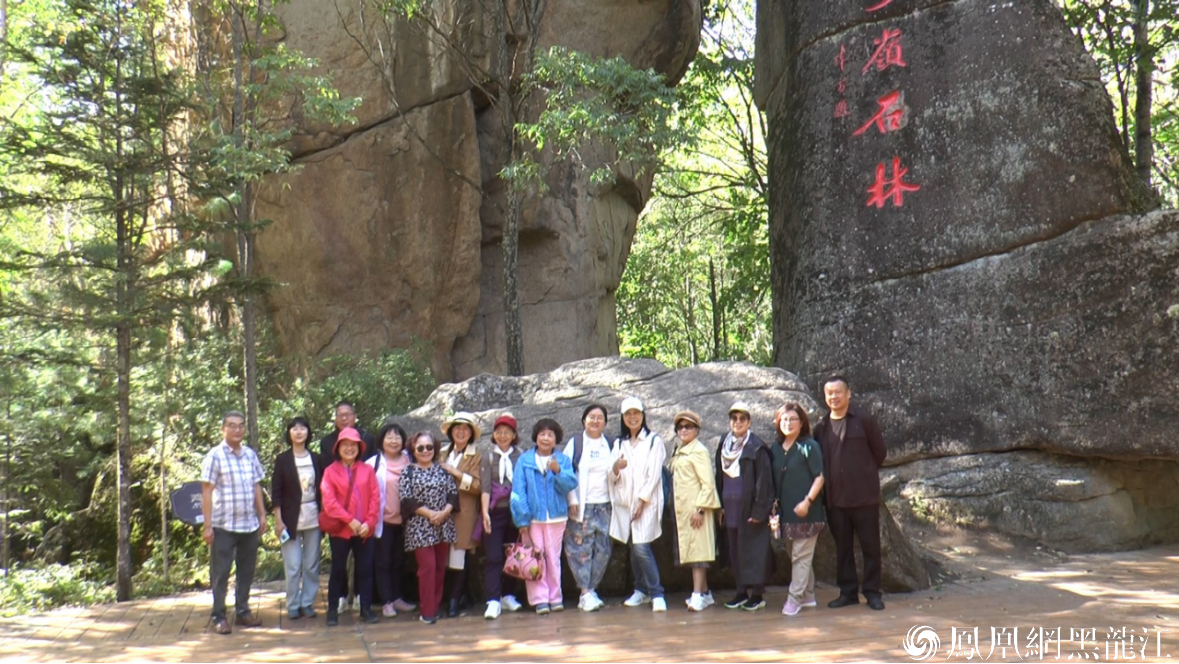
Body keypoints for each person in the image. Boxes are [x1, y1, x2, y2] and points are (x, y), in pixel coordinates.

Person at [812, 376, 887, 611]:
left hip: (864, 497)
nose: (834, 397)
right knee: (843, 549)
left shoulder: (863, 420)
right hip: (835, 500)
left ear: (848, 394)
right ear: (825, 397)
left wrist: (861, 474)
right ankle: (848, 592)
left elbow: (880, 453)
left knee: (870, 547)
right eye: (829, 393)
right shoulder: (821, 428)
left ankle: (873, 592)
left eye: (838, 392)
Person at [200, 410, 268, 635]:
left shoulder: (249, 454)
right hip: (223, 525)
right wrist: (207, 525)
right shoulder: (215, 456)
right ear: (223, 429)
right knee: (221, 573)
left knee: (247, 571)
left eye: (240, 426)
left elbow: (256, 485)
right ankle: (219, 615)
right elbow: (207, 491)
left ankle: (242, 612)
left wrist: (262, 514)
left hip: (248, 524)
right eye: (232, 425)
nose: (237, 429)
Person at [511, 418, 578, 615]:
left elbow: (570, 484)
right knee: (535, 558)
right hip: (532, 519)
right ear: (536, 437)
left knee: (554, 559)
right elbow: (518, 491)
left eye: (550, 434)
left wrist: (558, 471)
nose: (546, 438)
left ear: (556, 438)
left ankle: (555, 597)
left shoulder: (562, 460)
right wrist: (521, 519)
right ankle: (540, 599)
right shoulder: (525, 460)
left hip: (557, 518)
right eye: (542, 434)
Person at [609, 397, 667, 612]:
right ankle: (640, 590)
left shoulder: (654, 441)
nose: (632, 417)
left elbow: (653, 476)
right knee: (634, 547)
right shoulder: (618, 443)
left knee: (642, 547)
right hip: (625, 504)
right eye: (628, 414)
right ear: (623, 418)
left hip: (647, 503)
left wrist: (642, 501)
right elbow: (611, 475)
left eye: (636, 413)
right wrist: (616, 466)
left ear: (643, 415)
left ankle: (657, 593)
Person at [715, 401, 774, 612]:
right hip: (730, 507)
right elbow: (718, 477)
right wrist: (719, 506)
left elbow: (764, 482)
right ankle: (741, 591)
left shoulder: (756, 447)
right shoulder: (724, 444)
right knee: (735, 550)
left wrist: (760, 511)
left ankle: (757, 594)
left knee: (754, 551)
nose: (738, 422)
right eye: (734, 418)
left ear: (749, 422)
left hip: (749, 508)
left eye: (742, 419)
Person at [320, 427, 381, 626]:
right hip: (342, 529)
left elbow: (375, 498)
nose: (349, 448)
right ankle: (331, 610)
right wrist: (350, 520)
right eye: (345, 445)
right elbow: (329, 503)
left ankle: (365, 608)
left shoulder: (367, 470)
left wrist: (369, 522)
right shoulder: (330, 472)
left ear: (359, 448)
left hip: (364, 529)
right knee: (338, 569)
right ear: (338, 448)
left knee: (365, 569)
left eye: (353, 445)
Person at [770, 403, 826, 616]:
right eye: (784, 419)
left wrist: (807, 501)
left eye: (793, 419)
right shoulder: (775, 448)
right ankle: (808, 595)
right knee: (797, 555)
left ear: (801, 423)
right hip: (784, 514)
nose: (788, 423)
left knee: (800, 556)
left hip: (807, 513)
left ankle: (794, 600)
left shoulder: (809, 446)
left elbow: (820, 477)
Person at [400, 431, 458, 624]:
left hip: (443, 523)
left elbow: (453, 495)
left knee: (440, 567)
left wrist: (444, 513)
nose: (425, 451)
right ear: (413, 450)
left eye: (429, 447)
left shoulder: (442, 470)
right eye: (421, 448)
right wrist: (430, 514)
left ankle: (435, 605)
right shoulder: (407, 472)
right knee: (428, 567)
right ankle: (427, 611)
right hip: (420, 526)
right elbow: (407, 500)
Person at [271, 416, 324, 620]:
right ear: (289, 433)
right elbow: (276, 491)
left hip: (314, 517)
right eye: (294, 428)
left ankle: (308, 602)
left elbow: (323, 489)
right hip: (289, 519)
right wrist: (278, 520)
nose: (299, 431)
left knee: (311, 564)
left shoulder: (316, 458)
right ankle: (293, 603)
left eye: (303, 428)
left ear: (308, 433)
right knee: (293, 566)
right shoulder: (283, 459)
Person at [667, 410, 720, 612]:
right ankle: (705, 594)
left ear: (697, 430)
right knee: (692, 551)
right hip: (683, 512)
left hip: (697, 511)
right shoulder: (681, 450)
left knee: (699, 553)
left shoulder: (699, 451)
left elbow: (708, 483)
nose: (683, 430)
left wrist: (701, 508)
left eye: (688, 426)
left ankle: (697, 594)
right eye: (680, 427)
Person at [563, 403, 614, 612]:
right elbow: (566, 474)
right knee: (579, 550)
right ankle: (584, 592)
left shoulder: (611, 444)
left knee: (603, 549)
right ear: (584, 420)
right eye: (591, 417)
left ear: (605, 422)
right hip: (582, 506)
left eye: (599, 417)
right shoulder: (575, 444)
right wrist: (572, 500)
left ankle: (591, 590)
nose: (595, 421)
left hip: (606, 505)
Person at [366, 420, 418, 618]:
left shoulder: (409, 460)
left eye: (397, 436)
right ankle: (386, 601)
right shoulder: (373, 464)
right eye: (389, 436)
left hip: (405, 521)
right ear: (381, 440)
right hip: (383, 522)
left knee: (399, 561)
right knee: (383, 562)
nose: (394, 440)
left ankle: (397, 597)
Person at [480, 413, 525, 619]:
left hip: (515, 511)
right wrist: (485, 514)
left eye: (507, 432)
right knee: (494, 556)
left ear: (514, 434)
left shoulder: (521, 455)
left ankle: (508, 594)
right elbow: (486, 487)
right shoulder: (489, 457)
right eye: (499, 432)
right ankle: (492, 599)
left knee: (513, 554)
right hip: (494, 511)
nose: (503, 436)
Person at [439, 412, 484, 618]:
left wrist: (455, 473)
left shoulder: (476, 456)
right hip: (439, 513)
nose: (460, 432)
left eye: (465, 429)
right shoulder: (440, 452)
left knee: (458, 556)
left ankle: (454, 601)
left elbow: (477, 486)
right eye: (457, 428)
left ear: (471, 434)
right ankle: (452, 596)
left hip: (463, 513)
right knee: (440, 556)